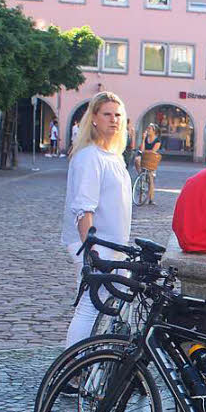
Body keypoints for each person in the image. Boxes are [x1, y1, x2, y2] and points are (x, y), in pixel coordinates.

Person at [60, 92, 131, 347]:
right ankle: (73, 369)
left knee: (109, 306)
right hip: (97, 245)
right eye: (107, 114)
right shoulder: (89, 157)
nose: (114, 120)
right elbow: (83, 209)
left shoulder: (114, 156)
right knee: (89, 307)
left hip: (115, 245)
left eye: (118, 115)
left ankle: (95, 363)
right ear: (94, 119)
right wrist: (91, 252)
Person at [134, 124, 162, 204]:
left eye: (150, 128)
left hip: (150, 160)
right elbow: (142, 149)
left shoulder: (157, 141)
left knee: (150, 178)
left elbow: (153, 151)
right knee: (137, 159)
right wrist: (143, 139)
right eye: (148, 128)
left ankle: (151, 199)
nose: (148, 130)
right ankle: (141, 174)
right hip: (143, 158)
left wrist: (144, 152)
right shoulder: (146, 138)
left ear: (154, 131)